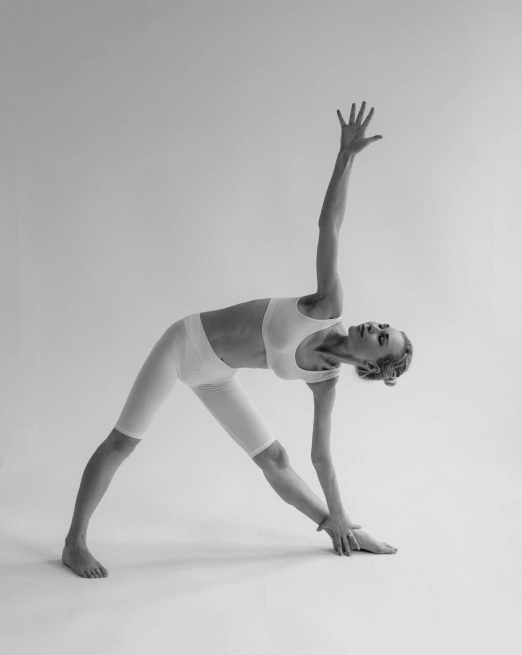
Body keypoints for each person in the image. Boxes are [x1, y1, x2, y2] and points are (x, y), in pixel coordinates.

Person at [62, 101, 413, 579]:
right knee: (123, 443)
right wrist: (346, 156)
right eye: (382, 325)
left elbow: (321, 458)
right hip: (183, 345)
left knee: (276, 459)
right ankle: (74, 542)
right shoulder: (327, 306)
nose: (375, 327)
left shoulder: (327, 379)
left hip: (217, 376)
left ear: (371, 366)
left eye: (382, 339)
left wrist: (343, 518)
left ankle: (339, 531)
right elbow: (328, 227)